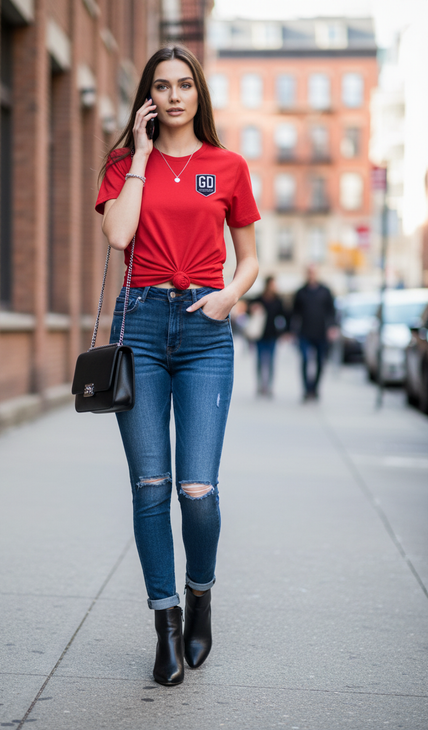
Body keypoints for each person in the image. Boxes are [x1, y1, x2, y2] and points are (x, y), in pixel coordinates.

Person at [95, 45, 260, 686]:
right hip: (138, 323)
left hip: (204, 333)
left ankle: (200, 595)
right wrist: (139, 157)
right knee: (150, 489)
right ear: (147, 98)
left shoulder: (228, 166)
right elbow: (117, 236)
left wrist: (228, 296)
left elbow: (248, 257)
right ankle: (164, 624)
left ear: (198, 94)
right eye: (161, 87)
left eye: (183, 85)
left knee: (197, 491)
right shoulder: (121, 165)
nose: (173, 96)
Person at [291, 265, 336, 400]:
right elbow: (294, 313)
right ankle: (306, 389)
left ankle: (315, 389)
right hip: (304, 333)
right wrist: (292, 331)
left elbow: (332, 311)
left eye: (313, 272)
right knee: (305, 359)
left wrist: (332, 327)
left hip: (321, 333)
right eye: (309, 272)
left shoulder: (325, 291)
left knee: (320, 362)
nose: (311, 275)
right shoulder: (300, 292)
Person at [248, 275, 286, 396]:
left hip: (272, 335)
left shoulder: (278, 301)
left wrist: (284, 332)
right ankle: (260, 385)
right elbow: (249, 310)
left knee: (270, 362)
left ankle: (268, 386)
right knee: (259, 360)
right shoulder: (259, 299)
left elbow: (285, 316)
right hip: (259, 335)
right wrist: (252, 309)